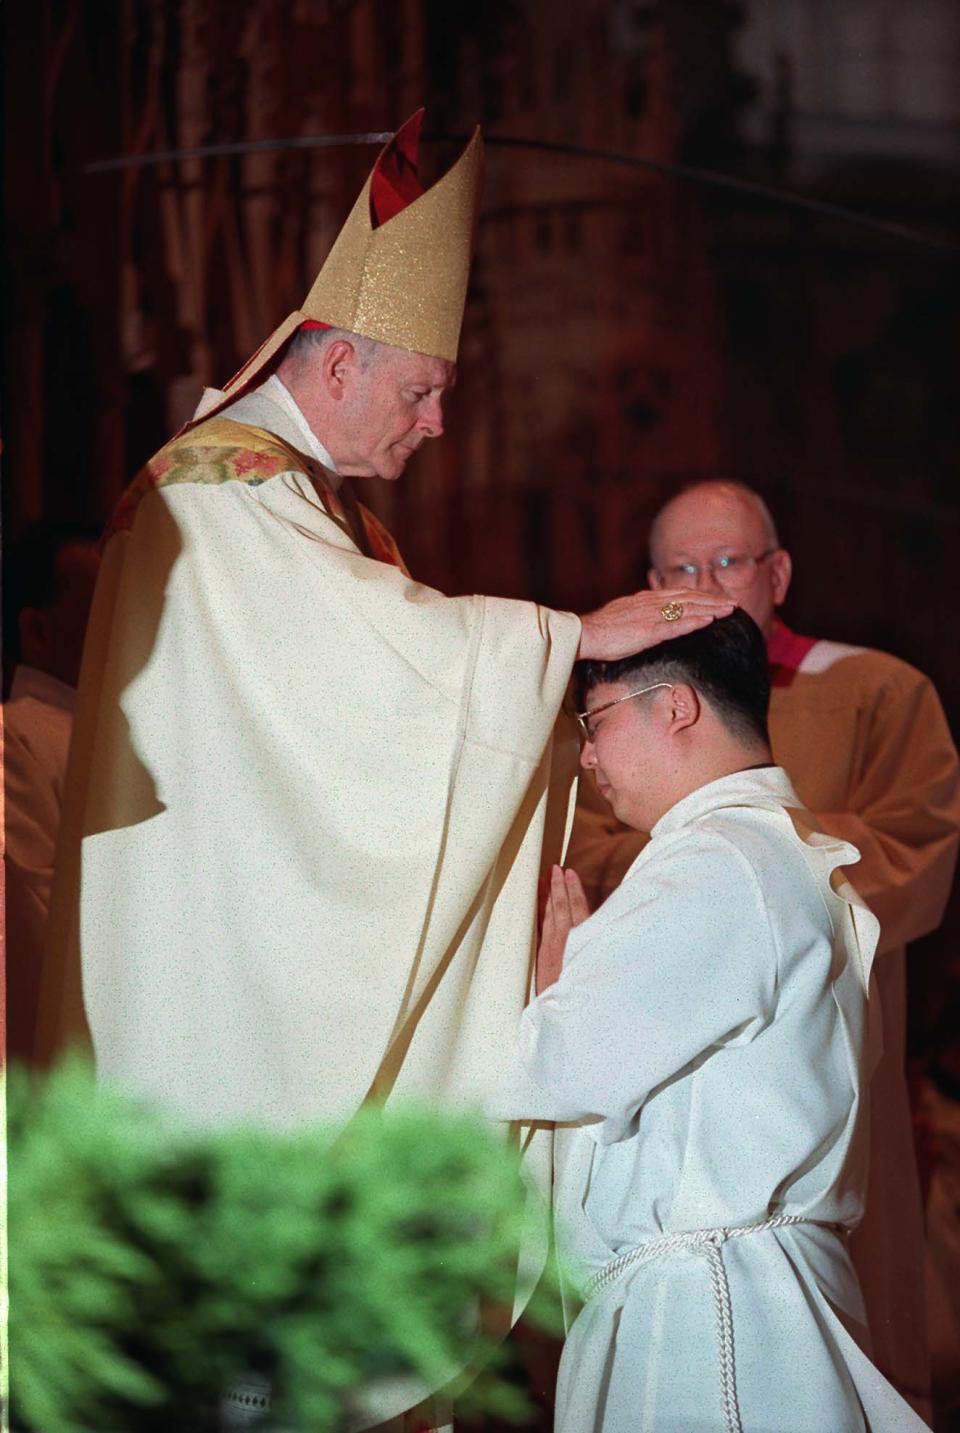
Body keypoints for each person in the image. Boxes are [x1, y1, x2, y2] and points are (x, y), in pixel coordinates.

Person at [32, 114, 731, 1431]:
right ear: (339, 362)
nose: (440, 420)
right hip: (215, 1006)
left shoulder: (307, 507)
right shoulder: (219, 492)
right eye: (420, 389)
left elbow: (372, 716)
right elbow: (377, 688)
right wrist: (572, 636)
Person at [567, 479, 960, 1417]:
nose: (706, 585)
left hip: (820, 1050)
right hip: (677, 1072)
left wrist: (746, 861)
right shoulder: (628, 712)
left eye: (728, 564)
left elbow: (911, 848)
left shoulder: (876, 687)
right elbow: (585, 848)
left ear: (777, 571)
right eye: (680, 570)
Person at [498, 609, 929, 1433]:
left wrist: (548, 989)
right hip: (746, 1292)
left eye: (595, 721)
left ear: (676, 706)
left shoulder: (718, 857)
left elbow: (557, 1066)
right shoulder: (768, 850)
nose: (587, 755)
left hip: (707, 1319)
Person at [3, 522, 100, 1060]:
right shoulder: (14, 736)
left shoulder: (109, 733)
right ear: (36, 631)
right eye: (100, 607)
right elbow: (32, 921)